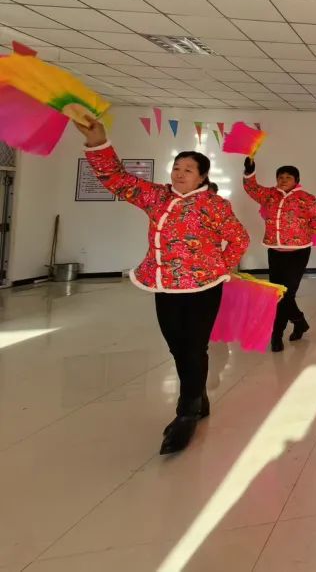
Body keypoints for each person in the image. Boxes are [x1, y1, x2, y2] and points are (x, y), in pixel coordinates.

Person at [76, 119, 249, 454]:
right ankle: (198, 395)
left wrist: (220, 268)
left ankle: (187, 411)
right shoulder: (156, 196)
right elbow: (116, 179)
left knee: (194, 348)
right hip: (164, 284)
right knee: (176, 347)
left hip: (203, 287)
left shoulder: (214, 205)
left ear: (202, 177)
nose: (179, 173)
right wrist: (98, 142)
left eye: (188, 169)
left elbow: (239, 239)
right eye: (177, 168)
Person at [243, 157, 316, 352]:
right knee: (277, 294)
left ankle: (277, 335)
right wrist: (249, 171)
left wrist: (301, 232)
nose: (283, 180)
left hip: (298, 252)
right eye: (280, 177)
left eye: (288, 177)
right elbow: (252, 188)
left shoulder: (306, 198)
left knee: (286, 294)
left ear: (296, 180)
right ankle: (299, 322)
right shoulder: (270, 195)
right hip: (275, 251)